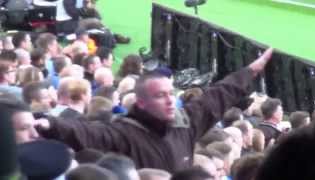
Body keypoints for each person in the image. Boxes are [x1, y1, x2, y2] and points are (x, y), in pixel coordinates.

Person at [37, 48, 273, 172]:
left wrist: (249, 72)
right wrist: (51, 125)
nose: (170, 100)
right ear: (141, 102)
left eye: (171, 93)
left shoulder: (185, 122)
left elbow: (216, 98)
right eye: (160, 96)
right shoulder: (123, 133)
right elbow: (87, 132)